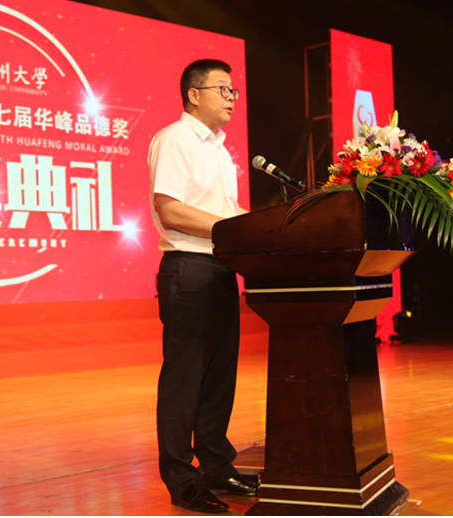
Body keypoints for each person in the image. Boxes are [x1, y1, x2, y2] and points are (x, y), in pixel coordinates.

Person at [147, 59, 256, 514]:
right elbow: (170, 210)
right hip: (188, 270)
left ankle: (216, 465)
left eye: (233, 91)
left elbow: (224, 214)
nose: (231, 98)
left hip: (220, 269)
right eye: (222, 89)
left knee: (218, 379)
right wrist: (236, 229)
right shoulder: (175, 139)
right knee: (185, 381)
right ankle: (181, 479)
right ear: (194, 95)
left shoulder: (219, 150)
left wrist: (256, 231)